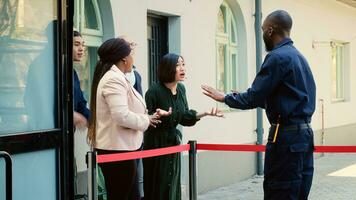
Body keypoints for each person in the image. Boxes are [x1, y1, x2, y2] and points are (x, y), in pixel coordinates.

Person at [202, 10, 316, 200]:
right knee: (298, 192)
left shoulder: (276, 57)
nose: (262, 33)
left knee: (279, 191)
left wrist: (225, 98)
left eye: (263, 30)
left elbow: (253, 97)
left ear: (270, 31)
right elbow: (283, 100)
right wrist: (239, 95)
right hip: (304, 137)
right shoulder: (299, 58)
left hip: (285, 138)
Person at [87, 37, 170, 200]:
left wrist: (149, 117)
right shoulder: (113, 79)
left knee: (131, 196)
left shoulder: (117, 77)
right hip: (118, 150)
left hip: (123, 148)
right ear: (124, 58)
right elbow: (121, 116)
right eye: (131, 54)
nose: (133, 59)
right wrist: (146, 120)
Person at [143, 53, 223, 200]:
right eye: (177, 65)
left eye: (183, 64)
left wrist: (205, 113)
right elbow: (145, 120)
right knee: (158, 186)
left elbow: (184, 116)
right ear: (167, 68)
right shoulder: (154, 91)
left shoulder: (181, 90)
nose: (182, 68)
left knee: (173, 183)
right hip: (156, 145)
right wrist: (158, 115)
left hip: (173, 144)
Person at [73, 30, 90, 129]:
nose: (81, 49)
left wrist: (95, 121)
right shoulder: (50, 71)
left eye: (83, 45)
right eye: (76, 44)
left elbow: (80, 104)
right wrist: (71, 115)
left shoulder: (72, 73)